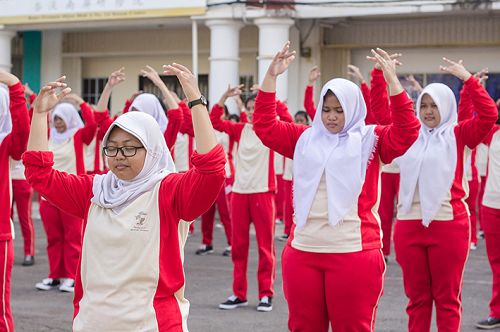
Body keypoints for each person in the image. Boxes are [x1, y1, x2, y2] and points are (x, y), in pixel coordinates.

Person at [23, 63, 225, 331]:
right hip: (93, 322)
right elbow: (40, 174)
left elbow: (211, 171)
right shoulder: (94, 190)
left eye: (130, 148)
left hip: (152, 324)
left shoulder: (169, 192)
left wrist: (196, 101)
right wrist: (39, 115)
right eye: (112, 148)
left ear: (152, 149)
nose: (119, 156)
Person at [253, 42, 420, 331]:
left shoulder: (372, 140)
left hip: (354, 255)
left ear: (353, 109)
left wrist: (392, 81)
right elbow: (265, 125)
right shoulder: (304, 139)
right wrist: (271, 77)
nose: (331, 116)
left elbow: (407, 131)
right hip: (302, 252)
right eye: (327, 109)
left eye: (339, 110)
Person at [392, 58, 498, 332]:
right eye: (424, 105)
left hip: (448, 225)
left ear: (446, 108)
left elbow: (487, 115)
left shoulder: (458, 133)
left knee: (447, 300)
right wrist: (384, 77)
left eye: (434, 106)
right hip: (408, 226)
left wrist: (468, 79)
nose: (428, 112)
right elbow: (383, 114)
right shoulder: (409, 134)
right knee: (417, 300)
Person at [35, 92, 97, 293]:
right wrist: (39, 104)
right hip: (49, 196)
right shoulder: (48, 135)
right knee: (53, 238)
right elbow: (32, 123)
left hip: (72, 194)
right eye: (56, 119)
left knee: (73, 238)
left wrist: (81, 103)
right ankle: (55, 276)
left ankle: (71, 276)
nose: (58, 123)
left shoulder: (78, 136)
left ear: (70, 118)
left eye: (61, 119)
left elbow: (92, 124)